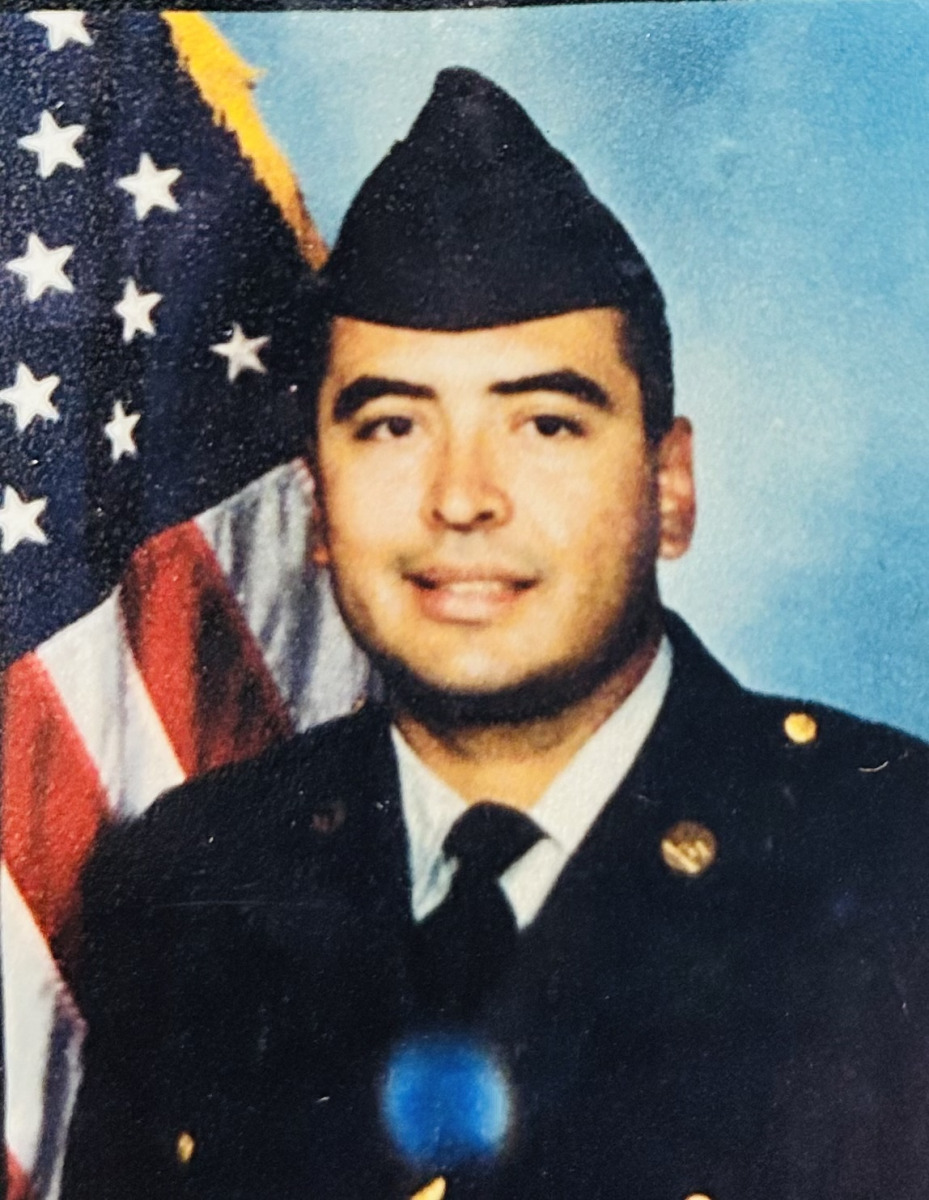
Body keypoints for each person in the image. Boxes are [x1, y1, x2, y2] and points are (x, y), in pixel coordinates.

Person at [61, 68, 929, 1200]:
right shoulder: (186, 888)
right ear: (316, 503)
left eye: (544, 424)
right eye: (391, 425)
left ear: (668, 487)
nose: (461, 498)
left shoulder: (888, 862)